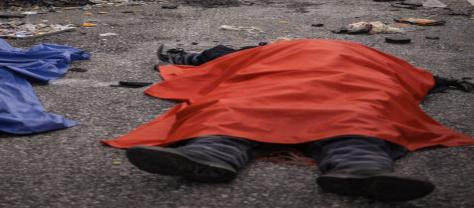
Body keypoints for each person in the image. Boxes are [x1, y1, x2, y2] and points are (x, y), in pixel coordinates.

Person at [104, 39, 474, 202]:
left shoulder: (261, 51)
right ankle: (361, 166)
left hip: (282, 75)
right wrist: (443, 82)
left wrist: (183, 59)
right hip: (351, 79)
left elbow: (214, 62)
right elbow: (416, 79)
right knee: (360, 113)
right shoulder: (372, 55)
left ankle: (212, 153)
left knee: (237, 106)